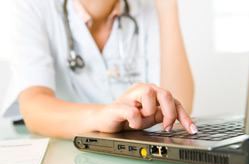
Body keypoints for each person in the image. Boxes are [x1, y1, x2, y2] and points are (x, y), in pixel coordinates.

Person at [1, 0, 196, 139]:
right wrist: (102, 116)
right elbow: (34, 108)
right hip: (60, 153)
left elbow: (176, 111)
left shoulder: (148, 7)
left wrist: (168, 5)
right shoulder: (31, 5)